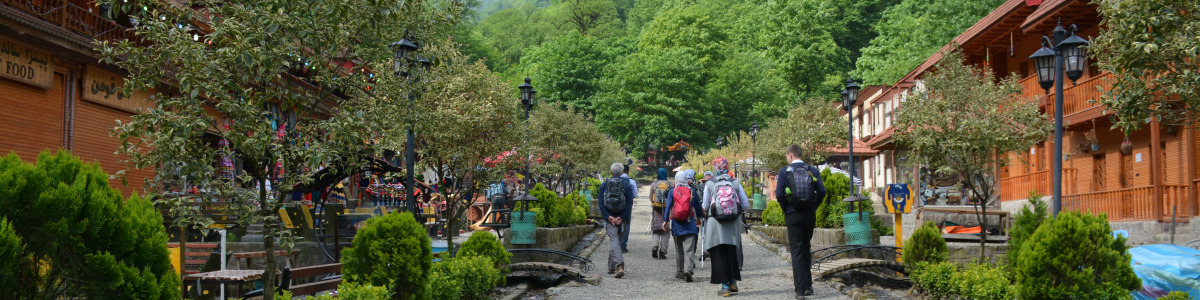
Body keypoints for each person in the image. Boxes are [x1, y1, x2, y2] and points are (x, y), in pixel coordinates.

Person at [774, 145, 827, 299]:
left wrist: (787, 208)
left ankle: (800, 291)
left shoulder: (785, 171)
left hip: (793, 214)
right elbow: (822, 191)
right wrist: (814, 206)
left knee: (796, 251)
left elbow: (779, 194)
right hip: (809, 214)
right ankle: (808, 284)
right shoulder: (812, 170)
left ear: (790, 155)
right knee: (806, 247)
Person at [702, 157, 750, 297]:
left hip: (715, 224)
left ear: (715, 168)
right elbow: (745, 204)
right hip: (733, 224)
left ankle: (725, 287)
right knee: (731, 253)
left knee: (719, 255)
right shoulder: (735, 182)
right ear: (727, 167)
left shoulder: (710, 184)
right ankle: (733, 282)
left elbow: (705, 206)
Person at [665, 169, 703, 282]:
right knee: (689, 249)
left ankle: (680, 271)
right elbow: (697, 207)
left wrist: (666, 220)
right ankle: (688, 269)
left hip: (677, 224)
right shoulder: (691, 190)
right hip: (690, 223)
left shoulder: (673, 191)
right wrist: (700, 218)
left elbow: (668, 207)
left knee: (679, 249)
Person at [599, 163, 636, 278]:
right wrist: (622, 217)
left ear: (611, 172)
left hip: (610, 218)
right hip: (622, 218)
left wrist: (608, 216)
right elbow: (630, 203)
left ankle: (614, 266)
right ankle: (617, 266)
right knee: (617, 242)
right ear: (622, 173)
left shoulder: (605, 184)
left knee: (614, 241)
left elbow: (601, 202)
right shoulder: (626, 184)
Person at [650, 168, 673, 259]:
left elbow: (650, 198)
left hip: (656, 209)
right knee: (665, 230)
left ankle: (655, 246)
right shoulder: (670, 184)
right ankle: (662, 252)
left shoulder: (654, 184)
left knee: (656, 229)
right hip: (667, 210)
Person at [619, 164, 638, 253]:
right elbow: (635, 195)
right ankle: (623, 246)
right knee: (627, 224)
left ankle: (616, 244)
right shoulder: (631, 181)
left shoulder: (613, 180)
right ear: (628, 171)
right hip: (627, 206)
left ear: (621, 171)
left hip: (614, 206)